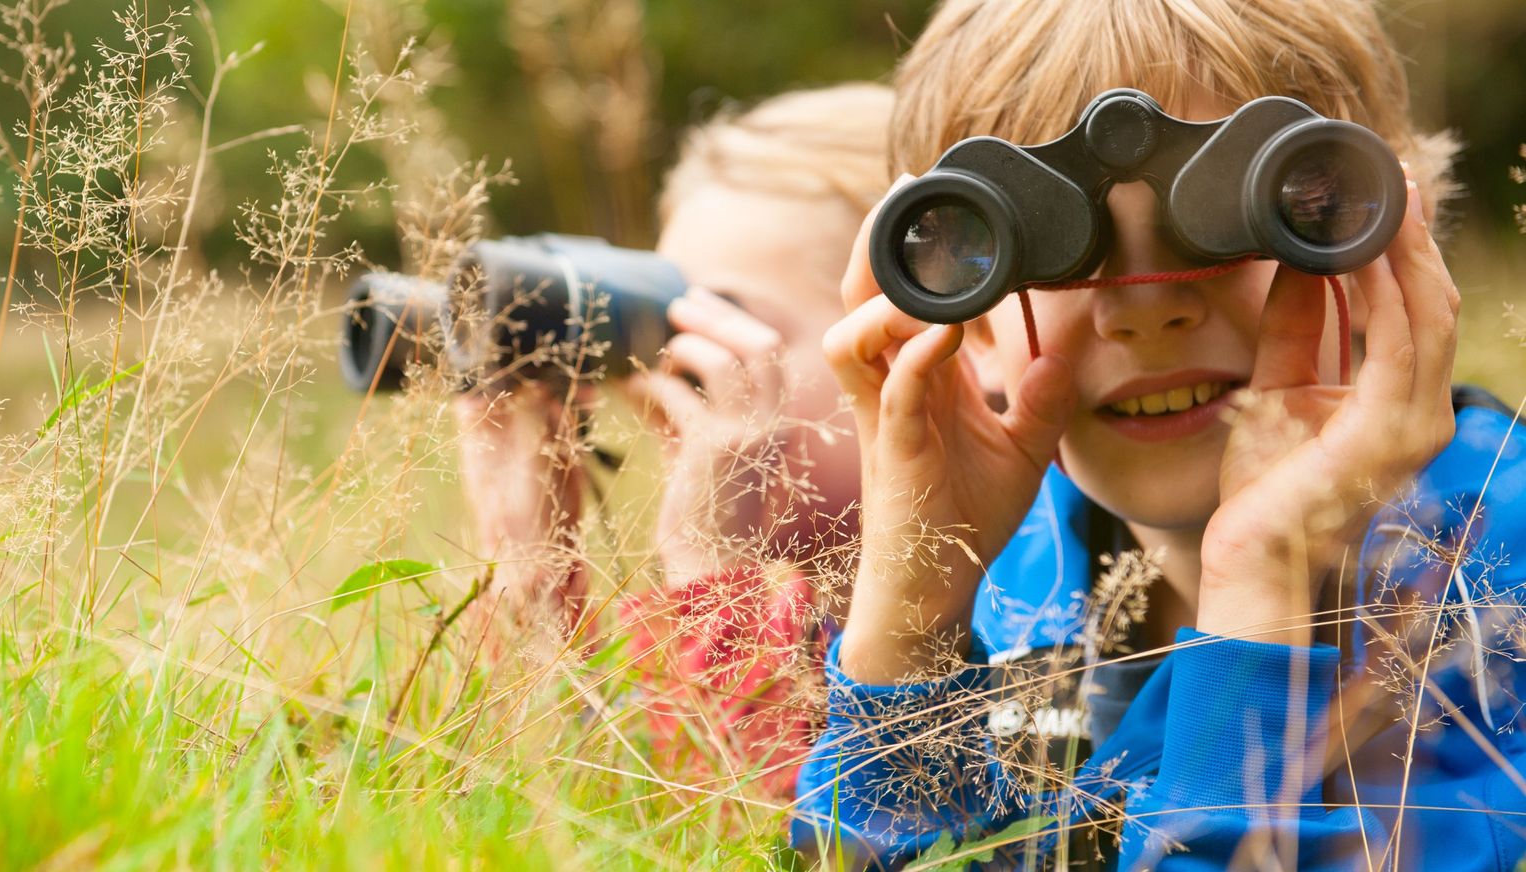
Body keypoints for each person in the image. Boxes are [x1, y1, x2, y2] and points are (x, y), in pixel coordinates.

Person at [792, 0, 1526, 868]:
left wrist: (1262, 578)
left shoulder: (1493, 585)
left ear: (1388, 242)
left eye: (1255, 214)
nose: (1147, 309)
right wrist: (910, 628)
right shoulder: (1018, 573)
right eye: (1057, 247)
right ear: (966, 309)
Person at [455, 83, 899, 796]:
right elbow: (586, 825)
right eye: (667, 325)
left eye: (724, 322)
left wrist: (710, 566)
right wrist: (532, 575)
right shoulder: (802, 627)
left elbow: (756, 841)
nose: (676, 367)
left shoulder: (1019, 615)